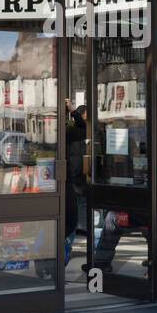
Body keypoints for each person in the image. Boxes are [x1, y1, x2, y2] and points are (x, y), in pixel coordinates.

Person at [65, 104, 88, 266]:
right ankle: (64, 253)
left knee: (68, 221)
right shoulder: (70, 132)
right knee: (71, 221)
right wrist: (72, 109)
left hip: (67, 181)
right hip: (74, 181)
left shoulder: (65, 131)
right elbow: (83, 127)